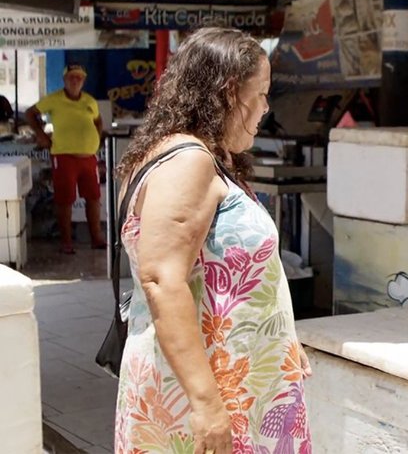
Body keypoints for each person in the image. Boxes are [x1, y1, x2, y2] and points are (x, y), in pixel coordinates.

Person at [113, 27, 312, 454]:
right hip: (205, 394)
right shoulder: (189, 160)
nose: (265, 107)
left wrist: (277, 339)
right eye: (260, 94)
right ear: (228, 93)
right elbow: (163, 281)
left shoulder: (201, 156)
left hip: (233, 380)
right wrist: (206, 404)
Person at [25, 64, 106, 254]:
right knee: (65, 200)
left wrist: (96, 137)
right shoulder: (53, 99)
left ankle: (96, 238)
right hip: (63, 156)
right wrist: (41, 135)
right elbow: (30, 113)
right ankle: (66, 242)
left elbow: (98, 119)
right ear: (64, 80)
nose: (75, 80)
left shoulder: (89, 101)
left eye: (79, 77)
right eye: (71, 77)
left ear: (83, 80)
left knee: (93, 198)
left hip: (89, 157)